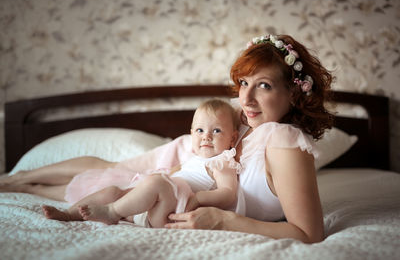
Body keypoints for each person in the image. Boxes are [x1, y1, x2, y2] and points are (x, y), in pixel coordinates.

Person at [0, 34, 333, 243]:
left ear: (294, 92)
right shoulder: (244, 118)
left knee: (121, 183)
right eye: (244, 84)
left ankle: (28, 186)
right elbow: (215, 113)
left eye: (264, 85)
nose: (246, 99)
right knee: (115, 170)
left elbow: (309, 233)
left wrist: (225, 220)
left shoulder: (284, 138)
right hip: (187, 158)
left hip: (190, 180)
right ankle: (20, 179)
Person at [41, 99, 242, 227]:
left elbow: (228, 193)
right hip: (150, 206)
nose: (206, 136)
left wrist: (199, 198)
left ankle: (112, 212)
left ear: (232, 139)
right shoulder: (193, 159)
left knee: (158, 183)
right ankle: (69, 214)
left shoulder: (222, 162)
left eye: (216, 131)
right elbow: (174, 172)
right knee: (113, 191)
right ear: (191, 135)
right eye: (200, 131)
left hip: (174, 212)